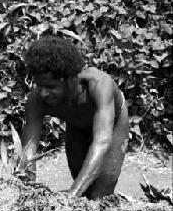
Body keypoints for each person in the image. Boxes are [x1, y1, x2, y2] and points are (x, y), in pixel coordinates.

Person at [18, 36, 129, 200]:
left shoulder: (98, 85)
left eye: (50, 87)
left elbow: (102, 141)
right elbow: (28, 150)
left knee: (100, 195)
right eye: (39, 86)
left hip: (111, 127)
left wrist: (70, 198)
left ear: (70, 79)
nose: (43, 93)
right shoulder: (37, 100)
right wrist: (26, 193)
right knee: (84, 194)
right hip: (76, 126)